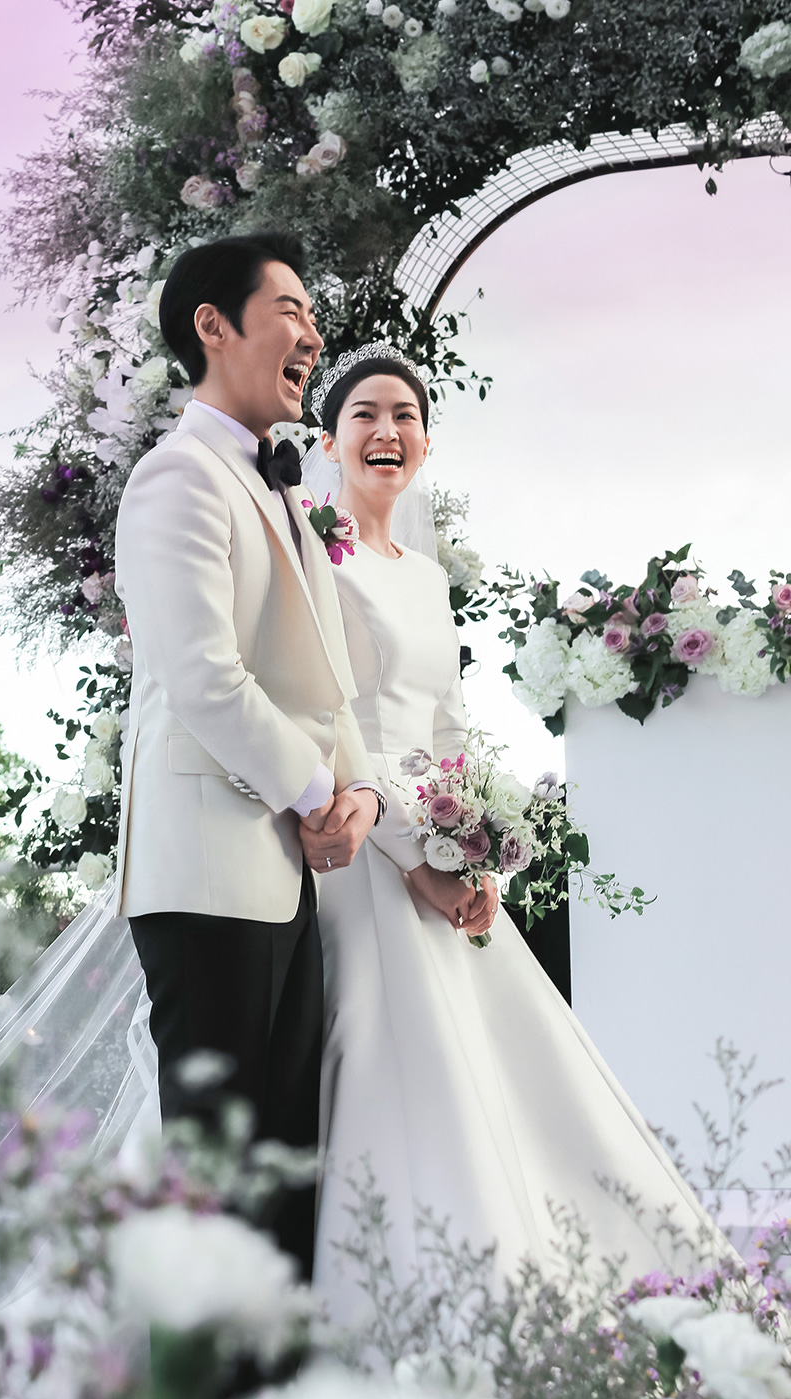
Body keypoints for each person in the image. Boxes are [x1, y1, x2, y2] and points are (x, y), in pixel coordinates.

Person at [306, 344, 731, 1323]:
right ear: (328, 442)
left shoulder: (423, 576)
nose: (386, 431)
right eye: (364, 414)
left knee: (514, 1074)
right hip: (361, 850)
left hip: (439, 842)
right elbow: (328, 725)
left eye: (405, 416)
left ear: (424, 442)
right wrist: (414, 858)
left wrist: (476, 850)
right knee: (390, 1057)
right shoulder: (316, 559)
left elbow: (447, 730)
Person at [113, 234, 409, 1274]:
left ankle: (268, 1378)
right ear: (213, 326)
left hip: (281, 877)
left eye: (312, 313)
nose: (312, 335)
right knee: (217, 1182)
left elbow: (323, 675)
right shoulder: (175, 479)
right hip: (206, 878)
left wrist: (359, 791)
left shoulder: (278, 487)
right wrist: (315, 793)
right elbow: (204, 678)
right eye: (290, 310)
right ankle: (200, 1381)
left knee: (283, 1173)